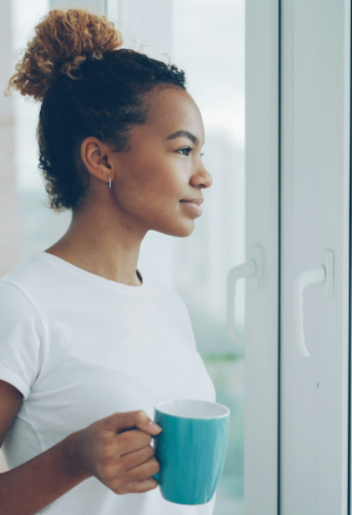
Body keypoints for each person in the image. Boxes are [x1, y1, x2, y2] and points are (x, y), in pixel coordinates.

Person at [0, 7, 215, 514]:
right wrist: (76, 455)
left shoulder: (169, 307)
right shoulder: (22, 305)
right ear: (101, 159)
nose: (204, 176)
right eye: (184, 150)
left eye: (201, 153)